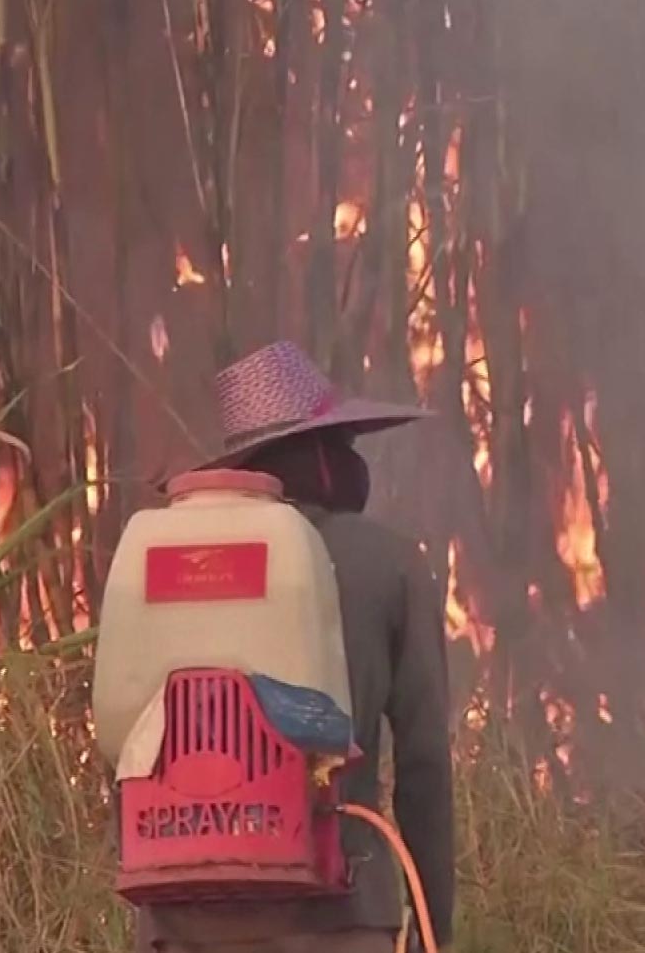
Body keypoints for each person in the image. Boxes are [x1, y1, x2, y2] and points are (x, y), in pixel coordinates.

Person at [135, 341, 456, 953]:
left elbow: (128, 746)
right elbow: (424, 766)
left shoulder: (161, 564)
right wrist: (432, 930)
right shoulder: (386, 562)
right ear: (321, 454)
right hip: (343, 915)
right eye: (343, 445)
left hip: (184, 921)